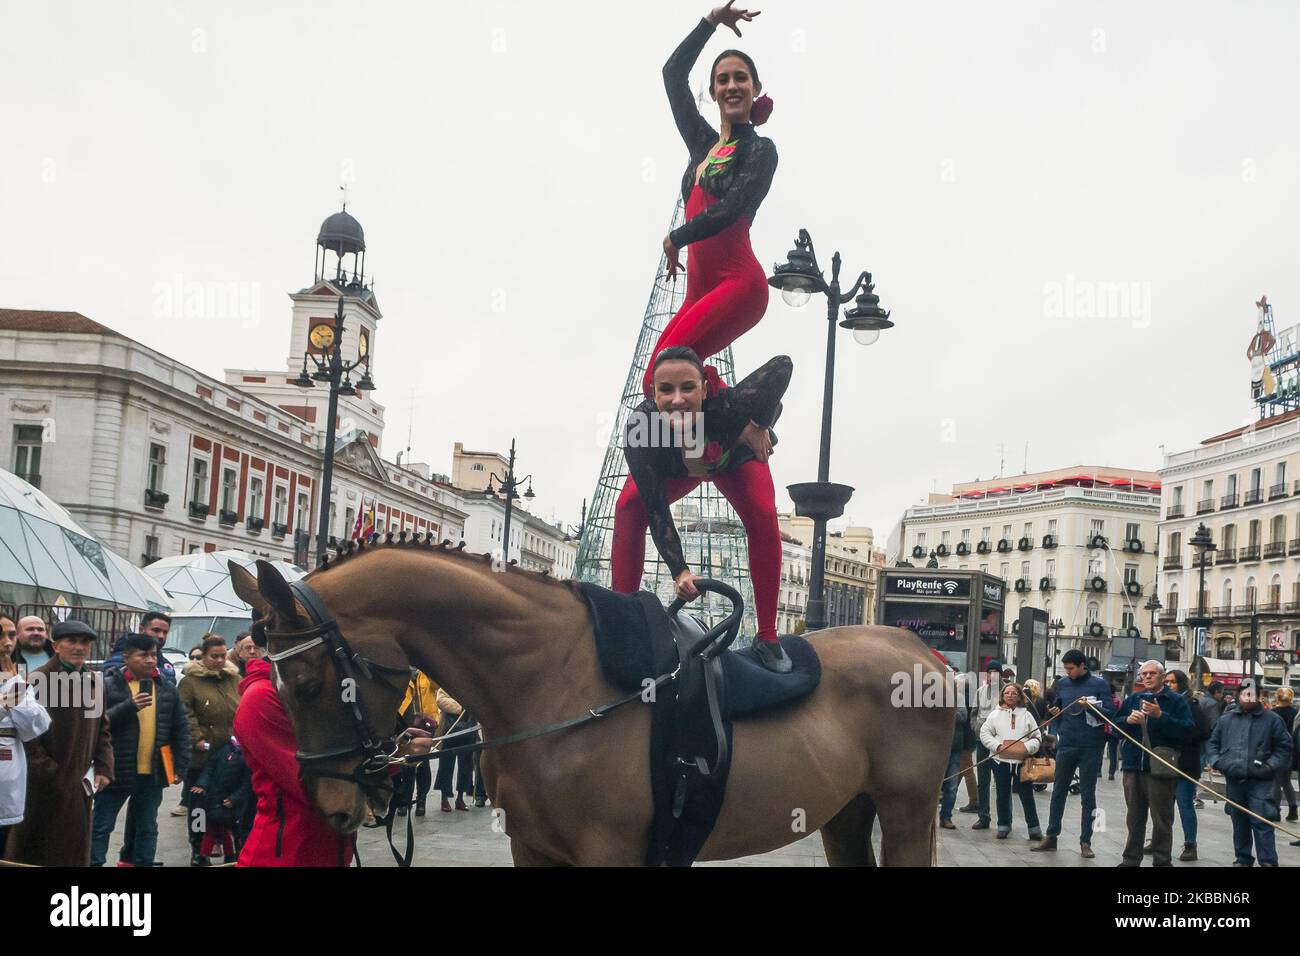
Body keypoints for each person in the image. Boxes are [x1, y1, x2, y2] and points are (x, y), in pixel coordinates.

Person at [614, 347, 793, 672]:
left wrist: (758, 424)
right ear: (653, 393)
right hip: (684, 469)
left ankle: (767, 636)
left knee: (764, 513)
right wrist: (679, 570)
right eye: (666, 390)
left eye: (688, 389)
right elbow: (656, 510)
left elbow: (782, 367)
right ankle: (621, 619)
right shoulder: (641, 431)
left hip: (731, 458)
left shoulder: (726, 408)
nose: (678, 400)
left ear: (706, 390)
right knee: (628, 506)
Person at [642, 2, 778, 401]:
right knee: (656, 381)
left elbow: (732, 207)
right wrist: (711, 23)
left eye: (740, 78)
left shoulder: (760, 150)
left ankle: (722, 439)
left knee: (666, 374)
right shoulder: (702, 143)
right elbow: (672, 75)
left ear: (754, 89)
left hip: (738, 285)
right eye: (722, 80)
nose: (731, 85)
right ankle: (701, 453)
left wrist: (676, 237)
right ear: (715, 92)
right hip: (697, 293)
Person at [232, 622, 355, 866]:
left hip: (328, 849)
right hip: (284, 854)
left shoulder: (310, 694)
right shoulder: (260, 698)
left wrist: (396, 752)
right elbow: (313, 784)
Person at [4, 620, 113, 866]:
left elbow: (102, 728)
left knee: (73, 849)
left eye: (84, 642)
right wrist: (52, 774)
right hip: (42, 785)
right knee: (37, 850)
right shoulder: (33, 680)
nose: (79, 647)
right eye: (71, 641)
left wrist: (105, 767)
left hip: (81, 783)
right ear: (56, 646)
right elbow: (19, 736)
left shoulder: (94, 681)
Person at [92, 633, 190, 867]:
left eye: (153, 655)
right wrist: (129, 706)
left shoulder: (167, 689)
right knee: (101, 826)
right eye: (143, 655)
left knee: (147, 826)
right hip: (116, 772)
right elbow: (95, 724)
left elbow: (181, 729)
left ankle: (141, 863)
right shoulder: (107, 685)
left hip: (153, 773)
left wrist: (180, 767)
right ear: (127, 657)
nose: (150, 660)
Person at [1031, 649, 1114, 858]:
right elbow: (1059, 706)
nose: (1068, 673)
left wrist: (1092, 708)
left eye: (1071, 669)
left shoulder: (1100, 684)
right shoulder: (1064, 684)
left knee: (1088, 795)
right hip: (1066, 743)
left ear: (1082, 665)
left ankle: (1086, 841)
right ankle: (1051, 836)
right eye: (1066, 669)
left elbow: (1111, 715)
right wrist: (1054, 712)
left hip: (1091, 746)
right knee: (1058, 791)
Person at [1206, 679, 1292, 867]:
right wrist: (1217, 761)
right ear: (1238, 696)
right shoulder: (1226, 719)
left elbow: (1284, 747)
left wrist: (1270, 766)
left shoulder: (1272, 720)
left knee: (1262, 821)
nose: (1248, 697)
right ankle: (1243, 858)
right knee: (1239, 820)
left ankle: (1268, 862)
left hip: (1261, 780)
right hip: (1234, 778)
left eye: (1252, 693)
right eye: (1245, 693)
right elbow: (1213, 743)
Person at [1115, 660, 1192, 868]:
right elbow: (1115, 727)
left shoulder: (1175, 701)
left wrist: (1160, 716)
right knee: (1134, 818)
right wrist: (1127, 721)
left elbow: (1186, 731)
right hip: (1133, 766)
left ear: (1161, 676)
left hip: (1160, 768)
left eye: (1152, 673)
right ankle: (1130, 860)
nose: (1147, 677)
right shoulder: (1134, 698)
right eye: (1144, 674)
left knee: (1162, 819)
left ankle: (1162, 860)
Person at [178, 635, 241, 863]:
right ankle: (198, 848)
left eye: (223, 655)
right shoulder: (190, 682)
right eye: (214, 656)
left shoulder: (234, 679)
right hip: (202, 755)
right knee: (198, 805)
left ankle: (233, 848)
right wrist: (197, 738)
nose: (219, 660)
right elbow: (184, 713)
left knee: (230, 802)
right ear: (203, 657)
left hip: (231, 754)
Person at [0, 617, 52, 853]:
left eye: (11, 636)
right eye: (1, 636)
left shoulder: (14, 678)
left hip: (9, 771)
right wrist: (5, 704)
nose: (7, 643)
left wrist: (12, 689)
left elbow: (38, 724)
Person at [979, 682, 1044, 840]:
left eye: (1014, 693)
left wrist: (1027, 748)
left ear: (1019, 696)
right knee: (1002, 794)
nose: (1010, 696)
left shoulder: (1027, 715)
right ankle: (1003, 825)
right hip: (1001, 761)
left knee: (1026, 795)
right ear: (1002, 695)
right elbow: (985, 733)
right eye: (1007, 693)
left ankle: (1034, 828)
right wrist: (998, 746)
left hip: (1021, 763)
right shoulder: (994, 715)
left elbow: (1036, 737)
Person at [1158, 669, 1210, 862]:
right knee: (1162, 805)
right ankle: (1159, 840)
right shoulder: (1164, 702)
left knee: (1184, 804)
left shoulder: (1191, 704)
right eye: (1167, 682)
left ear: (1181, 684)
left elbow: (1204, 731)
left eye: (1172, 682)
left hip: (1186, 762)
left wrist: (1181, 735)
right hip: (1165, 762)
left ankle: (1190, 845)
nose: (1169, 685)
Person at [190, 735, 254, 865]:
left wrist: (234, 799)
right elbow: (210, 768)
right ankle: (205, 853)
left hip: (229, 803)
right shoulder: (224, 749)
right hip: (213, 799)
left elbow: (246, 784)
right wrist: (202, 784)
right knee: (210, 827)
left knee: (223, 830)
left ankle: (215, 855)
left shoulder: (247, 757)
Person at [395, 670, 439, 817]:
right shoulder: (401, 676)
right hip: (406, 725)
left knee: (423, 766)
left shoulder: (426, 676)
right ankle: (405, 801)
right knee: (406, 765)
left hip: (426, 725)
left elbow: (438, 685)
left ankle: (421, 801)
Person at [971, 660, 1008, 830]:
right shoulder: (980, 691)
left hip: (1000, 743)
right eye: (989, 671)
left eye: (995, 671)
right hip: (982, 742)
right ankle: (983, 816)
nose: (992, 674)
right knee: (983, 780)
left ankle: (1004, 820)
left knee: (1002, 782)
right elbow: (974, 712)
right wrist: (976, 728)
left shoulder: (1007, 692)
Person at [435, 687, 476, 812]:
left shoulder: (470, 683)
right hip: (449, 729)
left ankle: (460, 798)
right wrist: (463, 708)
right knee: (445, 766)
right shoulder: (447, 682)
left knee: (466, 766)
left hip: (469, 729)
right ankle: (444, 798)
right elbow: (441, 700)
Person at [1269, 686, 1297, 821]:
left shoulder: (1272, 713)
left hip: (1277, 750)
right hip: (1292, 751)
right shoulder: (1297, 712)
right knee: (1286, 781)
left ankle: (1276, 810)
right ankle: (1293, 809)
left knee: (1276, 782)